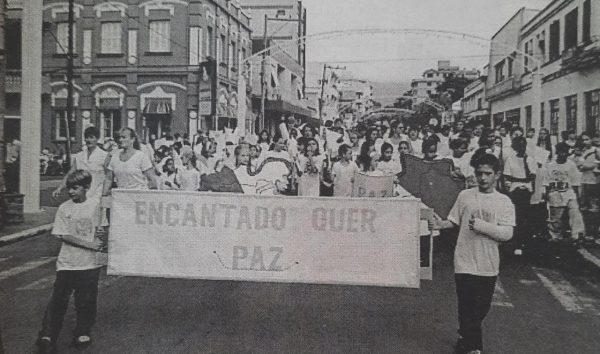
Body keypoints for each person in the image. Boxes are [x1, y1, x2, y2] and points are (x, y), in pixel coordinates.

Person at [433, 153, 515, 354]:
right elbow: (453, 221)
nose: (483, 178)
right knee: (467, 305)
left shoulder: (504, 202)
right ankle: (474, 348)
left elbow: (507, 234)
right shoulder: (465, 196)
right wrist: (439, 224)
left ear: (497, 175)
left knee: (481, 309)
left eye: (488, 174)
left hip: (488, 262)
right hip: (464, 259)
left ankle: (465, 334)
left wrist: (482, 226)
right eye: (480, 173)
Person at [36, 170, 107, 353]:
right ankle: (48, 333)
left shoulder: (96, 206)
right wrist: (89, 244)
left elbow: (102, 229)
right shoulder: (64, 208)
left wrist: (100, 236)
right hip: (68, 262)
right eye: (69, 188)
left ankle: (83, 331)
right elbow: (64, 235)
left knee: (86, 300)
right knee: (59, 298)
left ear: (87, 188)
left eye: (75, 188)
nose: (71, 192)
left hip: (90, 264)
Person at [503, 136, 537, 256]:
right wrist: (515, 183)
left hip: (526, 189)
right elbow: (507, 176)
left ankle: (524, 243)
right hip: (515, 189)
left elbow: (532, 175)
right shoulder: (510, 159)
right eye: (519, 145)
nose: (521, 148)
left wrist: (528, 185)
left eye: (523, 145)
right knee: (516, 216)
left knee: (525, 217)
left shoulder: (530, 160)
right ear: (515, 147)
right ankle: (515, 242)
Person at [544, 142, 584, 242]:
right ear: (557, 152)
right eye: (561, 152)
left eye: (565, 152)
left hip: (568, 192)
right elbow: (546, 182)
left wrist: (577, 196)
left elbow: (575, 182)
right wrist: (546, 196)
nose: (563, 155)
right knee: (556, 217)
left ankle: (577, 235)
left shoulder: (571, 165)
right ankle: (556, 236)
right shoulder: (550, 165)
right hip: (555, 192)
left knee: (575, 212)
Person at [54, 127, 107, 200]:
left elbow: (109, 177)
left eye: (91, 137)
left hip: (98, 193)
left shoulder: (104, 156)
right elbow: (70, 173)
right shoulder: (79, 156)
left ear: (97, 139)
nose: (88, 140)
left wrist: (104, 193)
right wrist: (59, 188)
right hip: (81, 194)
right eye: (87, 138)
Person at [103, 127, 156, 195]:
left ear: (132, 139)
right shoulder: (115, 156)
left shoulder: (141, 156)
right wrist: (104, 195)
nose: (120, 140)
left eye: (124, 137)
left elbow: (153, 181)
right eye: (120, 137)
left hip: (138, 199)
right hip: (121, 198)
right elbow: (108, 179)